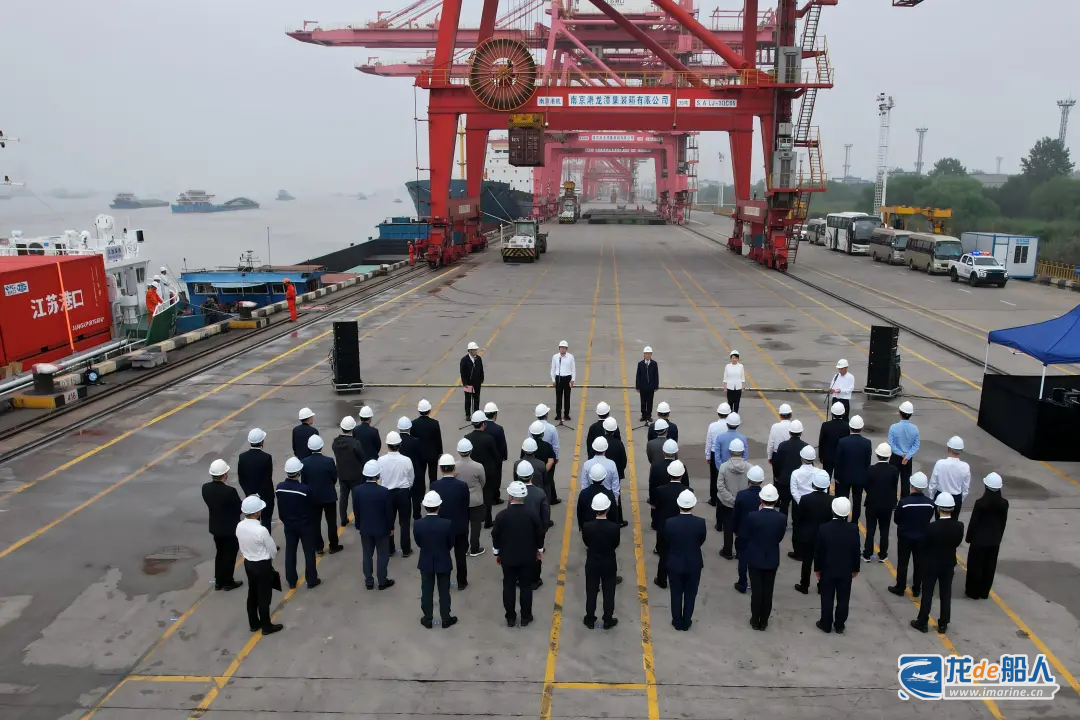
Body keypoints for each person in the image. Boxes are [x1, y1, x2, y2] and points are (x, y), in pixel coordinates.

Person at [492, 481, 546, 627]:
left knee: (508, 586)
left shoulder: (502, 516)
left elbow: (495, 535)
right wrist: (539, 550)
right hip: (528, 557)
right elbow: (540, 533)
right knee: (526, 587)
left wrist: (497, 552)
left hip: (507, 557)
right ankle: (525, 617)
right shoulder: (532, 514)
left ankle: (510, 617)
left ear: (510, 496)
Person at [912, 493, 964, 634]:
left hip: (931, 564)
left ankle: (922, 621)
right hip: (948, 564)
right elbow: (957, 542)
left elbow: (924, 545)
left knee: (927, 593)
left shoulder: (931, 527)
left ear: (938, 508)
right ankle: (943, 624)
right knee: (946, 593)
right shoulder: (959, 526)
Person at [814, 497, 861, 634]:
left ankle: (825, 624)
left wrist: (817, 568)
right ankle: (839, 625)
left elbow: (819, 551)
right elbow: (856, 550)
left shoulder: (824, 528)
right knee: (843, 598)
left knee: (827, 597)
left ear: (833, 510)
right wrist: (855, 568)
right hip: (846, 570)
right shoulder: (853, 529)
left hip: (828, 569)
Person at [743, 484, 787, 631]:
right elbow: (779, 537)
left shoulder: (753, 516)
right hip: (771, 558)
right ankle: (764, 621)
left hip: (755, 557)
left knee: (756, 591)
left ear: (761, 500)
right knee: (768, 591)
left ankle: (755, 620)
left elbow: (748, 534)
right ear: (776, 500)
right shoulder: (781, 518)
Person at [236, 496, 283, 634]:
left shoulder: (240, 526)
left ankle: (253, 623)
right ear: (256, 513)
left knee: (252, 593)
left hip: (248, 563)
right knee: (264, 596)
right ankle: (266, 626)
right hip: (262, 565)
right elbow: (272, 549)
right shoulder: (261, 530)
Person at [413, 491, 458, 629]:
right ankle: (446, 618)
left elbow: (418, 542)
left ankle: (427, 618)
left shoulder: (418, 524)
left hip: (426, 560)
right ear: (439, 506)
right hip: (443, 560)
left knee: (427, 590)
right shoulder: (447, 524)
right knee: (444, 591)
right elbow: (450, 542)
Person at [275, 457, 320, 589]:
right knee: (309, 553)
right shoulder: (305, 490)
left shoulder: (279, 488)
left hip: (289, 525)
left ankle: (291, 580)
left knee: (290, 551)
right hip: (305, 525)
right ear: (299, 472)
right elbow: (313, 506)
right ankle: (311, 579)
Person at [888, 472, 935, 598]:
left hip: (905, 536)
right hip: (922, 537)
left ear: (912, 486)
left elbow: (897, 519)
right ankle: (916, 588)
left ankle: (900, 587)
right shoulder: (930, 503)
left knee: (903, 563)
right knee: (919, 563)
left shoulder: (904, 502)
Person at [665, 489, 707, 631]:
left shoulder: (670, 522)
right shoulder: (700, 523)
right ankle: (686, 620)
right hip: (694, 563)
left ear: (678, 504)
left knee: (676, 593)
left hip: (675, 562)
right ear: (693, 505)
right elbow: (701, 540)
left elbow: (668, 540)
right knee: (691, 594)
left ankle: (677, 621)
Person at [351, 460, 395, 590]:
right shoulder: (384, 491)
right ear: (378, 475)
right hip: (381, 529)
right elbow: (388, 513)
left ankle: (369, 581)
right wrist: (391, 527)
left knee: (367, 554)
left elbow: (356, 510)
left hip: (365, 528)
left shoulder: (357, 491)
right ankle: (382, 581)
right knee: (382, 556)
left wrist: (359, 525)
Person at [430, 454, 471, 590]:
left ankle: (444, 581)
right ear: (454, 468)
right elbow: (466, 505)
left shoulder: (434, 485)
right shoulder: (462, 486)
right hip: (459, 526)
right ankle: (462, 582)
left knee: (442, 555)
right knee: (460, 556)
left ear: (441, 469)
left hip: (441, 527)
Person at [965, 473, 1009, 599]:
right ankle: (984, 592)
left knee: (975, 566)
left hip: (978, 541)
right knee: (989, 567)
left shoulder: (980, 503)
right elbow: (1003, 523)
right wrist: (998, 538)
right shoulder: (1004, 503)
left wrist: (969, 538)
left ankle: (973, 592)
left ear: (986, 487)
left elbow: (974, 522)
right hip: (994, 540)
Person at [202, 459, 243, 591]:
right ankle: (228, 582)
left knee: (220, 553)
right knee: (230, 555)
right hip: (230, 528)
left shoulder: (205, 488)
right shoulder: (230, 491)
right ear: (224, 474)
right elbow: (239, 508)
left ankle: (218, 581)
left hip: (216, 527)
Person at [582, 493, 621, 629]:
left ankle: (590, 619)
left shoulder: (587, 526)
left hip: (592, 561)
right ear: (608, 509)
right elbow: (616, 543)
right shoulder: (614, 527)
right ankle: (608, 619)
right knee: (609, 591)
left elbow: (587, 542)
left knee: (591, 590)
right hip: (609, 561)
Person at [793, 469, 833, 595]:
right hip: (825, 537)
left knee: (806, 562)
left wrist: (799, 535)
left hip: (808, 536)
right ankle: (822, 586)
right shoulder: (832, 500)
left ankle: (804, 585)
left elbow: (799, 519)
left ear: (813, 484)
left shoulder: (805, 499)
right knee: (823, 562)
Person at [302, 434, 342, 555]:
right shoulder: (329, 461)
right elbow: (334, 477)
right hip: (328, 495)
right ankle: (333, 545)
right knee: (331, 522)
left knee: (315, 522)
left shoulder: (304, 462)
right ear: (321, 446)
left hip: (313, 497)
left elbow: (304, 481)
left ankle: (318, 546)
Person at [377, 431, 415, 557]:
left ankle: (390, 548)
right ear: (399, 444)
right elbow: (411, 478)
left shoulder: (381, 460)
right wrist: (406, 487)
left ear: (387, 445)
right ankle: (406, 549)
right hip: (403, 492)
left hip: (387, 493)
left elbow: (379, 478)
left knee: (388, 522)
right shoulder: (406, 460)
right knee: (404, 523)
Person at [651, 460, 687, 589]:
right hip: (681, 527)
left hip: (664, 526)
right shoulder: (688, 491)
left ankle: (662, 579)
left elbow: (655, 508)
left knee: (664, 554)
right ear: (682, 474)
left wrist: (656, 523)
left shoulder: (660, 491)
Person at [863, 443, 900, 562]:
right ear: (889, 456)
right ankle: (883, 554)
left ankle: (867, 554)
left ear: (877, 454)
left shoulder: (870, 469)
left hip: (872, 503)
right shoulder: (894, 470)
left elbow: (866, 485)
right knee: (884, 530)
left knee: (870, 530)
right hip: (887, 505)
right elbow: (894, 486)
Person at [731, 465, 765, 594]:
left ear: (749, 479)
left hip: (744, 532)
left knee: (743, 559)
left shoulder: (741, 495)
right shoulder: (765, 495)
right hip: (759, 533)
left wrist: (735, 529)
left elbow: (736, 515)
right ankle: (757, 583)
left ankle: (742, 583)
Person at [716, 437, 751, 560]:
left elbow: (720, 486)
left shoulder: (724, 467)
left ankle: (727, 551)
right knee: (742, 526)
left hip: (727, 503)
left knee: (728, 527)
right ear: (742, 452)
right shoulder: (749, 467)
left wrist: (730, 499)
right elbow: (751, 485)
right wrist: (740, 499)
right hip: (743, 503)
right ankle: (741, 551)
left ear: (730, 452)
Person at [518, 460, 551, 588]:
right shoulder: (540, 493)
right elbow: (545, 514)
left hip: (520, 530)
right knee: (537, 555)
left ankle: (521, 577)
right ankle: (535, 580)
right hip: (536, 530)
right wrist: (544, 530)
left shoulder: (514, 493)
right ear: (532, 476)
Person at [832, 415, 871, 523]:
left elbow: (838, 461)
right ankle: (854, 522)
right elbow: (867, 462)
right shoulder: (867, 443)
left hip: (844, 477)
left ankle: (843, 520)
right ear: (861, 428)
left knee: (843, 499)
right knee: (857, 501)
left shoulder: (842, 442)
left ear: (850, 427)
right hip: (860, 477)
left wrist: (837, 476)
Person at [465, 411, 500, 525]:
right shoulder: (489, 439)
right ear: (483, 424)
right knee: (487, 495)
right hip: (487, 471)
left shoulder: (467, 438)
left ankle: (475, 518)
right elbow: (496, 456)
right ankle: (487, 520)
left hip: (472, 470)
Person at [331, 416, 366, 527]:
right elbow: (362, 457)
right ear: (352, 428)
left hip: (342, 474)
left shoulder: (336, 442)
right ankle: (358, 520)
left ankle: (343, 519)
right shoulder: (355, 443)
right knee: (356, 498)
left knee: (343, 497)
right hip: (355, 474)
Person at [238, 428, 275, 533]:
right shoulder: (266, 457)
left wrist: (250, 493)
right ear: (262, 442)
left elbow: (241, 478)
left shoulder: (242, 457)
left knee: (253, 522)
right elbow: (267, 478)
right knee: (266, 521)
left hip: (250, 496)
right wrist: (259, 494)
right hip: (266, 496)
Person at [456, 439, 487, 557]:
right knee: (475, 525)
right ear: (471, 451)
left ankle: (463, 548)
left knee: (463, 525)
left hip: (461, 499)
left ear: (459, 451)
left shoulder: (455, 466)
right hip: (476, 499)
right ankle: (474, 548)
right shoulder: (478, 466)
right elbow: (483, 482)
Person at [788, 445, 818, 560]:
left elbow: (794, 491)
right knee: (814, 526)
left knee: (797, 527)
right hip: (815, 503)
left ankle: (798, 552)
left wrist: (802, 502)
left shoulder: (795, 473)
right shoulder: (819, 472)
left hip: (799, 503)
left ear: (801, 458)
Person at [524, 421, 557, 523]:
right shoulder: (547, 446)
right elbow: (551, 461)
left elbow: (523, 460)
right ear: (542, 434)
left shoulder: (527, 446)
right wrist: (543, 471)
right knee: (545, 499)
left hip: (528, 477)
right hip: (544, 479)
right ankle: (546, 520)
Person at [773, 419, 807, 518]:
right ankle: (795, 522)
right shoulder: (805, 447)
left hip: (784, 481)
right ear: (801, 432)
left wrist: (777, 476)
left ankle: (783, 522)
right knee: (796, 505)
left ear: (789, 432)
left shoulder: (782, 445)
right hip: (799, 482)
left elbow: (777, 463)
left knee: (784, 504)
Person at [580, 437, 619, 523]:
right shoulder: (611, 464)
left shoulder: (587, 464)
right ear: (606, 449)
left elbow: (584, 485)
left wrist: (584, 498)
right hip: (608, 498)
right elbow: (615, 484)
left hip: (590, 498)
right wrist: (615, 499)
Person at [396, 417, 427, 521]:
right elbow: (422, 457)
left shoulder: (396, 441)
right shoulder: (416, 441)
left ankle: (406, 515)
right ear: (409, 428)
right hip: (415, 470)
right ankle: (416, 514)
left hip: (401, 471)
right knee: (416, 495)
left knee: (405, 495)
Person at [929, 436, 971, 511]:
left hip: (941, 496)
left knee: (939, 518)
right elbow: (965, 487)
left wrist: (932, 497)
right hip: (956, 498)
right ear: (961, 450)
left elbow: (933, 483)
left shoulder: (940, 463)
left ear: (949, 449)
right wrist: (960, 500)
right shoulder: (965, 466)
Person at [888, 401, 919, 497]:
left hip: (895, 457)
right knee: (906, 482)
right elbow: (916, 445)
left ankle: (892, 501)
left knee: (892, 481)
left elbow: (891, 444)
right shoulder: (915, 428)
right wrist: (907, 456)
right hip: (907, 459)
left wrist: (901, 454)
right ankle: (904, 501)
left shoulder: (893, 427)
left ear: (900, 413)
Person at [411, 399, 443, 487]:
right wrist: (440, 452)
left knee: (420, 477)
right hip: (432, 454)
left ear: (419, 411)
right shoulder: (435, 423)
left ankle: (421, 493)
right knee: (433, 476)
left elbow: (413, 440)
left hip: (419, 455)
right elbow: (438, 439)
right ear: (429, 410)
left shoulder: (413, 424)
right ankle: (433, 491)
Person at [705, 403, 732, 507]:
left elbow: (709, 442)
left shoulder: (712, 426)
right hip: (727, 452)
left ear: (718, 413)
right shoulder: (730, 426)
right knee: (726, 476)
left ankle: (713, 499)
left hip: (714, 453)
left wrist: (708, 456)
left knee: (714, 476)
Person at [578, 462, 618, 532]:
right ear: (604, 478)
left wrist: (582, 527)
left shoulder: (583, 493)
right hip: (606, 529)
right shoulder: (609, 494)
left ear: (590, 477)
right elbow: (614, 515)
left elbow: (580, 513)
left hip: (588, 529)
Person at [483, 402, 509, 505]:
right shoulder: (498, 429)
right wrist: (504, 456)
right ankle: (495, 497)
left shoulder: (482, 427)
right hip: (496, 459)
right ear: (495, 415)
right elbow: (502, 444)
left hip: (484, 458)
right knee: (496, 478)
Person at [534, 404, 561, 496]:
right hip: (549, 456)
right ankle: (551, 497)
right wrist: (556, 457)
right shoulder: (552, 428)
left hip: (535, 455)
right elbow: (555, 445)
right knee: (549, 478)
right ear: (546, 415)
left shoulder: (532, 426)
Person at [817, 402, 850, 479]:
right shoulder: (847, 426)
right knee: (839, 479)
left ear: (832, 413)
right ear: (843, 413)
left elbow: (822, 442)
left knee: (826, 478)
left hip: (828, 457)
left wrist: (821, 456)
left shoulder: (825, 425)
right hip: (841, 457)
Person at [765, 404, 793, 490]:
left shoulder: (775, 427)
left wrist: (770, 457)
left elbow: (771, 443)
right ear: (790, 415)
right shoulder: (793, 426)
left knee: (777, 478)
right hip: (790, 454)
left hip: (777, 454)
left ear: (780, 415)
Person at [550, 340, 576, 422]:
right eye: (561, 348)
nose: (562, 349)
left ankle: (566, 415)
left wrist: (572, 379)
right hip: (558, 378)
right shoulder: (555, 357)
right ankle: (558, 414)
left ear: (566, 349)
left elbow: (573, 369)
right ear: (559, 348)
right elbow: (552, 369)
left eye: (564, 348)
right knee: (558, 397)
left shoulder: (570, 357)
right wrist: (553, 379)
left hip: (567, 378)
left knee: (567, 397)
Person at [460, 341, 484, 420]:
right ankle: (468, 415)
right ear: (470, 350)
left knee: (476, 399)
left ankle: (476, 414)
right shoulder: (464, 360)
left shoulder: (478, 359)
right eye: (474, 350)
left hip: (477, 383)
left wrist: (481, 379)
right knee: (468, 400)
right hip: (468, 384)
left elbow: (481, 369)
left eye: (476, 350)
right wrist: (465, 383)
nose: (476, 351)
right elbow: (462, 373)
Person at [635, 346, 660, 422]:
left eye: (649, 354)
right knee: (643, 402)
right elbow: (638, 375)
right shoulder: (640, 364)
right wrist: (637, 386)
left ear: (651, 354)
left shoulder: (654, 364)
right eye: (646, 354)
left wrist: (656, 386)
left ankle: (649, 416)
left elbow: (656, 375)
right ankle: (643, 415)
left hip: (650, 387)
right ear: (644, 354)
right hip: (642, 387)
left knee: (650, 402)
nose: (647, 355)